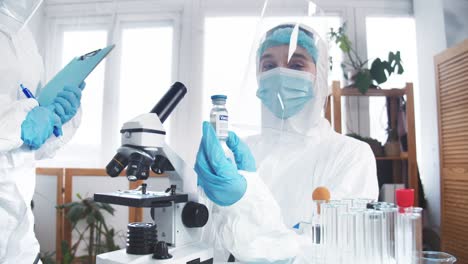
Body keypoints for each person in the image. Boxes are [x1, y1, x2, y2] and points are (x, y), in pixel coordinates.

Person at [195, 23, 379, 262]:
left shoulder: (350, 155)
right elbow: (212, 243)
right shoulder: (239, 152)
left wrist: (244, 201)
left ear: (320, 76)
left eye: (296, 65)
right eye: (269, 66)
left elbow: (331, 251)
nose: (280, 74)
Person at [0, 0, 84, 262]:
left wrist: (58, 119)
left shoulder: (24, 37)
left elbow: (29, 147)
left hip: (20, 239)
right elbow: (19, 129)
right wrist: (17, 126)